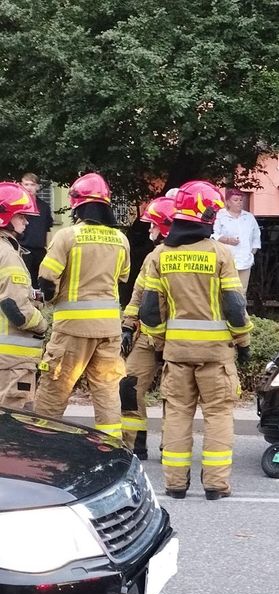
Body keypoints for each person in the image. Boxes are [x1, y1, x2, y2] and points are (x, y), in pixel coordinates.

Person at [140, 180, 253, 500]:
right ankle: (216, 484)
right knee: (217, 415)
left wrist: (162, 343)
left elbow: (149, 310)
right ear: (204, 214)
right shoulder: (219, 253)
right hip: (216, 355)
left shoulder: (161, 255)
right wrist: (243, 342)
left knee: (176, 414)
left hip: (176, 355)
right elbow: (234, 305)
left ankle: (175, 484)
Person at [34, 172, 129, 438]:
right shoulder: (121, 240)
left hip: (72, 329)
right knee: (108, 391)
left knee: (54, 389)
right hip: (109, 330)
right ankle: (111, 448)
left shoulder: (67, 236)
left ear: (77, 204)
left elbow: (47, 280)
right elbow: (122, 277)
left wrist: (50, 301)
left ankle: (40, 444)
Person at [120, 195, 176, 459]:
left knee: (174, 395)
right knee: (129, 384)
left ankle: (171, 447)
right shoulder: (153, 256)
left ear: (166, 226)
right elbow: (138, 294)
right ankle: (135, 444)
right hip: (148, 336)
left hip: (178, 339)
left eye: (153, 224)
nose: (149, 229)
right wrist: (128, 326)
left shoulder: (184, 256)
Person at [0, 182, 48, 409]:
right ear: (5, 216)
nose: (26, 222)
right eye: (21, 216)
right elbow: (15, 308)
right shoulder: (8, 255)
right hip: (12, 362)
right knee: (14, 431)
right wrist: (42, 324)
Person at [212, 188, 261, 292]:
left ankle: (241, 308)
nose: (239, 202)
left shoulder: (249, 217)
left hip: (245, 261)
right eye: (235, 200)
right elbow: (213, 234)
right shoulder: (220, 215)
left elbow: (256, 236)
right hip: (225, 261)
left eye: (241, 200)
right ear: (228, 202)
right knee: (226, 291)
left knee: (242, 291)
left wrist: (252, 252)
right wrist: (226, 240)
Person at [17, 173, 54, 288]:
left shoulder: (44, 207)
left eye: (32, 184)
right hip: (23, 249)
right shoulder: (17, 206)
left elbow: (47, 229)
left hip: (40, 251)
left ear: (37, 186)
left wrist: (49, 249)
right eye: (26, 184)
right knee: (24, 282)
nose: (29, 187)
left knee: (40, 281)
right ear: (21, 185)